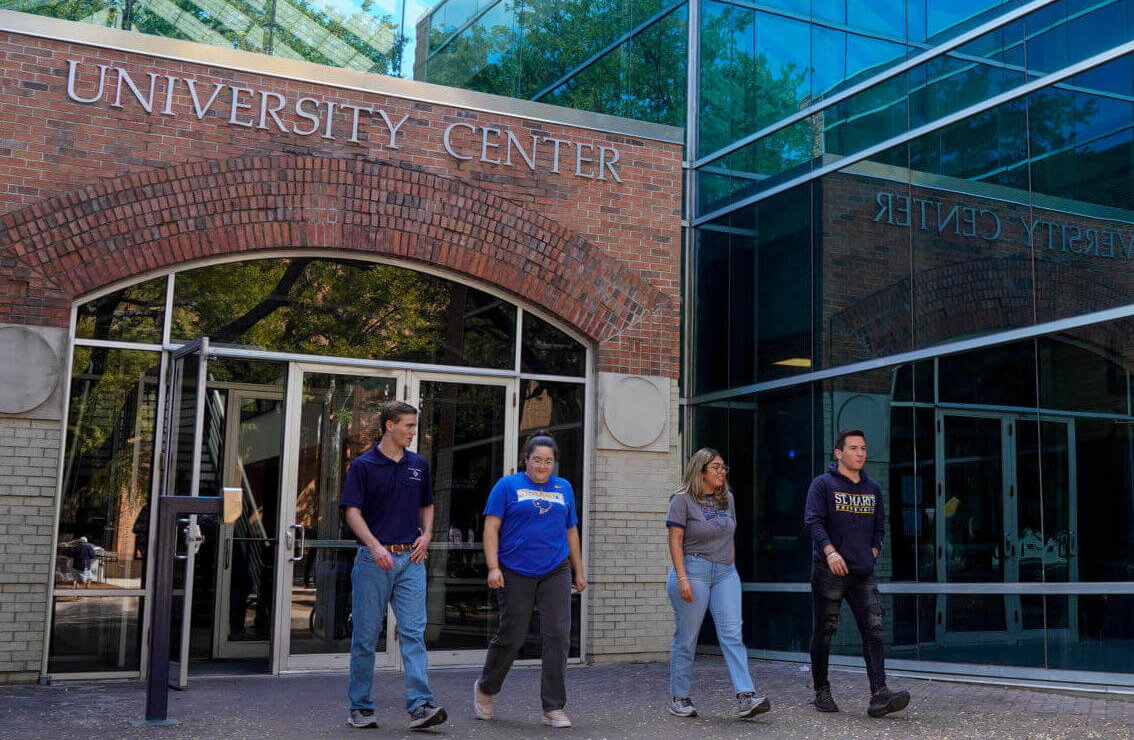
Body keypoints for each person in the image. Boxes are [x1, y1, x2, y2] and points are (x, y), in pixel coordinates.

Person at [341, 401, 447, 730]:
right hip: (374, 562)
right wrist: (374, 546)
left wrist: (426, 535)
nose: (413, 432)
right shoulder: (363, 465)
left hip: (410, 560)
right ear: (389, 425)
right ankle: (360, 707)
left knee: (414, 634)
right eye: (408, 426)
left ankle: (421, 707)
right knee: (365, 637)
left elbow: (427, 504)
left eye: (415, 426)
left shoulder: (418, 465)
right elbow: (351, 512)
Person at [473, 433, 585, 729]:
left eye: (548, 461)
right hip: (515, 571)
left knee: (559, 637)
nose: (543, 466)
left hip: (555, 570)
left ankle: (553, 706)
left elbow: (571, 531)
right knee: (512, 636)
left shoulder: (564, 488)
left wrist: (579, 571)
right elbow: (490, 528)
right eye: (537, 459)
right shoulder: (507, 486)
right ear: (526, 459)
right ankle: (486, 687)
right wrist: (493, 567)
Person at [804, 429, 910, 718]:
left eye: (863, 447)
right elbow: (813, 522)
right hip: (829, 571)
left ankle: (879, 695)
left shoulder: (873, 488)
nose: (861, 453)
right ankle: (821, 691)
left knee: (874, 630)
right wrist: (830, 552)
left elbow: (880, 528)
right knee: (824, 632)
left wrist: (872, 552)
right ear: (839, 453)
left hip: (862, 573)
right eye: (854, 448)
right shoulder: (822, 484)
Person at [665, 448, 771, 720]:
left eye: (724, 467)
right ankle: (680, 697)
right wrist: (682, 578)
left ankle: (746, 696)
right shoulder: (681, 500)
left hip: (725, 573)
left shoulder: (727, 500)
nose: (722, 472)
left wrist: (730, 567)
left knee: (732, 633)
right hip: (693, 570)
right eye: (716, 467)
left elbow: (729, 536)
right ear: (701, 471)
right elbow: (675, 541)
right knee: (687, 637)